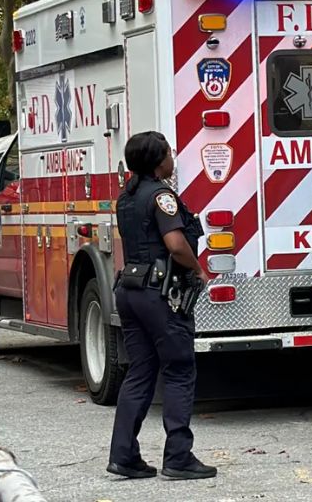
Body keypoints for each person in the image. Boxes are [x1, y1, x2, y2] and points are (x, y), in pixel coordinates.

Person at [108, 131, 216, 481]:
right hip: (160, 294)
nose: (173, 158)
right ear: (158, 162)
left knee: (140, 370)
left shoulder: (125, 197)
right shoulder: (161, 196)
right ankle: (178, 457)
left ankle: (123, 455)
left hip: (130, 288)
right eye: (169, 152)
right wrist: (198, 270)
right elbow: (175, 244)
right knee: (179, 369)